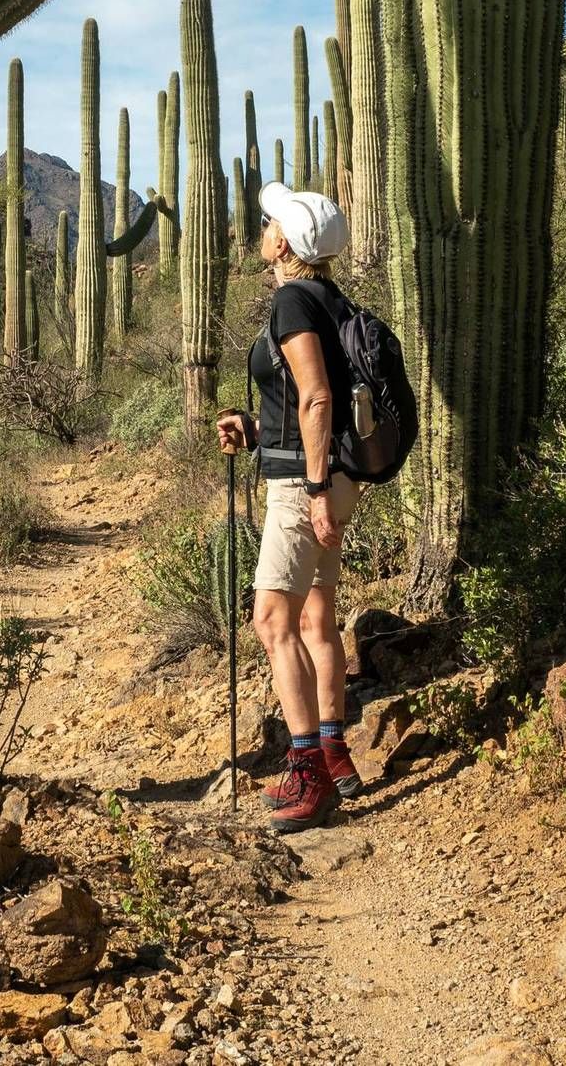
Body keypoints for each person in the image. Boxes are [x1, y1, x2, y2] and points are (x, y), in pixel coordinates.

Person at [215, 182, 363, 834]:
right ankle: (333, 752)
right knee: (315, 618)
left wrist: (313, 487)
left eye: (271, 219)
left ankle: (308, 777)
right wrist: (253, 429)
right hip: (326, 473)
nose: (263, 224)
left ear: (285, 241)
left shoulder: (292, 303)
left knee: (272, 620)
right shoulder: (328, 299)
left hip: (306, 485)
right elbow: (295, 402)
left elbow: (318, 400)